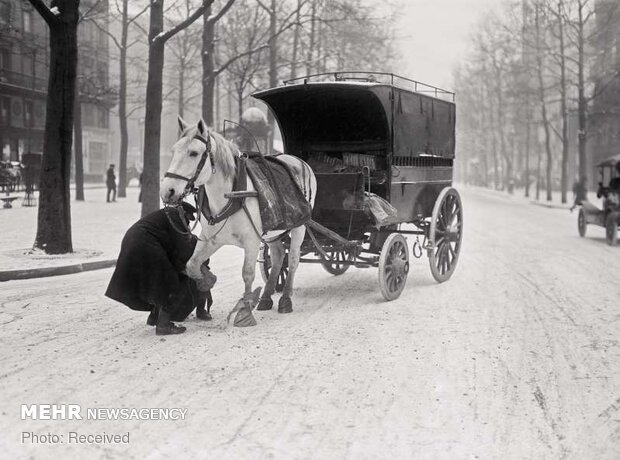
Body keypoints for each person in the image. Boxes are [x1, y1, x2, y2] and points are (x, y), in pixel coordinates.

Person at [105, 202, 215, 335]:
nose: (188, 224)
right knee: (170, 281)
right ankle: (163, 325)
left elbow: (176, 252)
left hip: (134, 242)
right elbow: (184, 250)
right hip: (145, 244)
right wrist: (200, 268)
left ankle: (155, 317)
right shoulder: (175, 215)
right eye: (188, 220)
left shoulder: (164, 217)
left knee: (158, 283)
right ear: (184, 213)